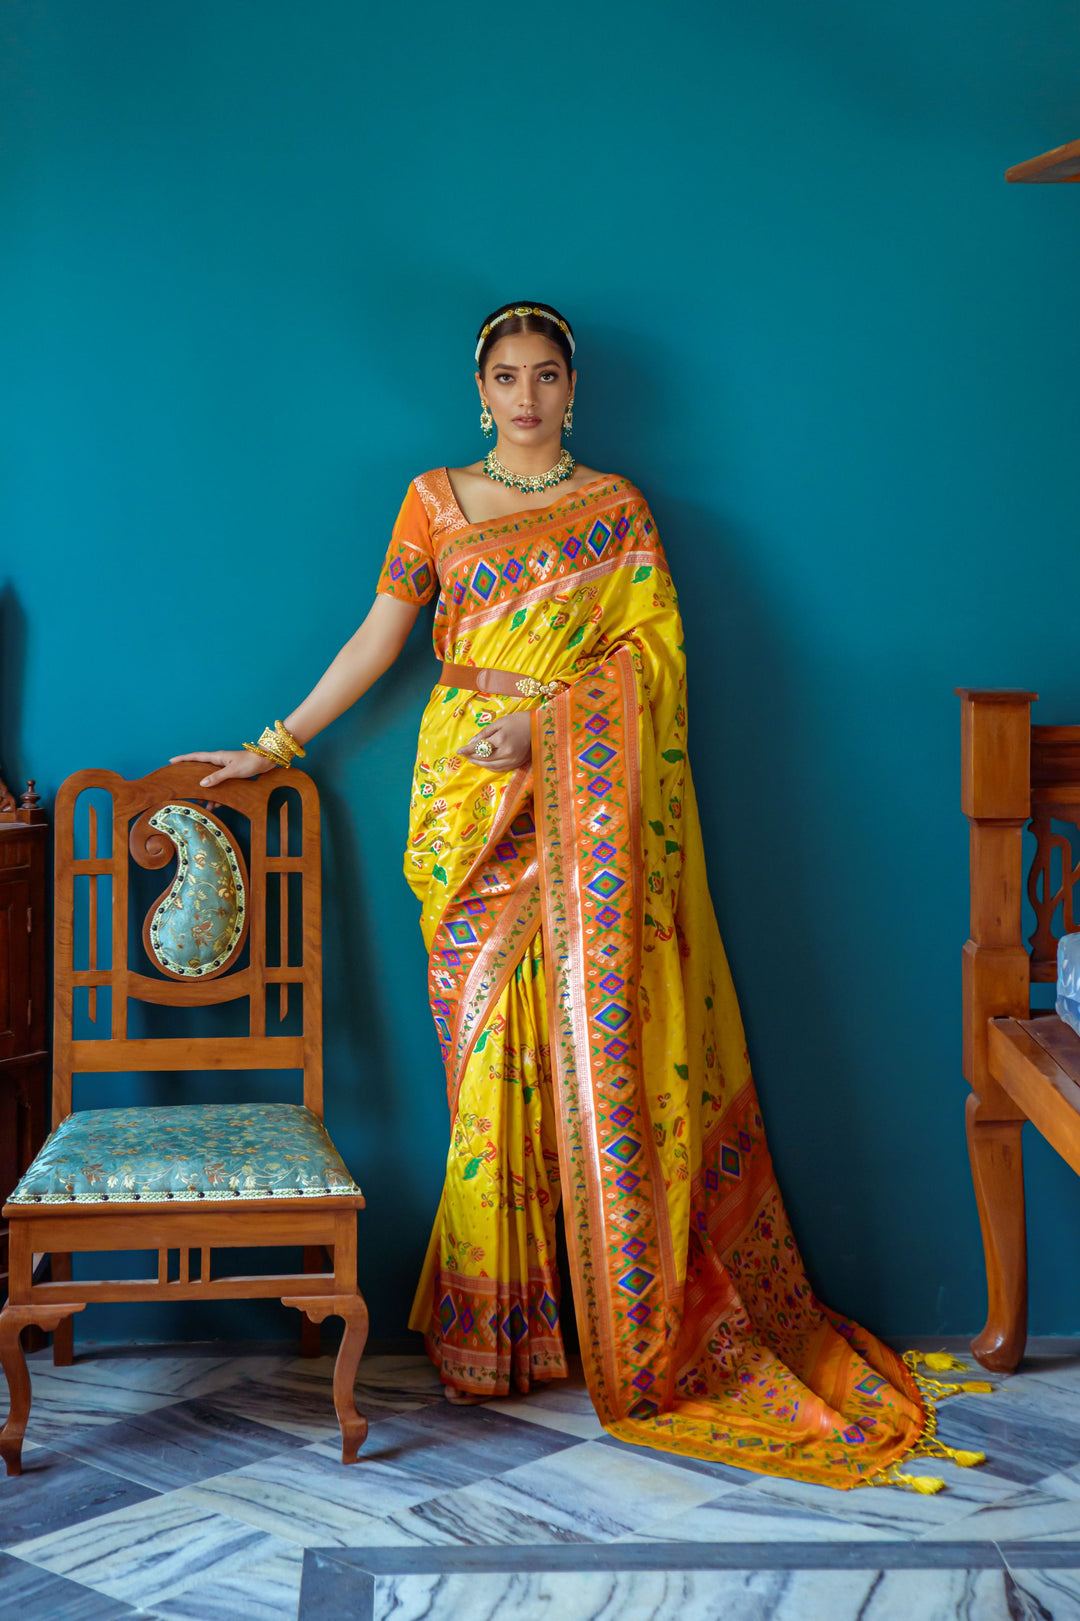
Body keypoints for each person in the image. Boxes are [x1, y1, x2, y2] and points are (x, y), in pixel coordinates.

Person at [173, 300, 984, 1491]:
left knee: (590, 1058)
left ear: (573, 389)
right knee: (488, 1065)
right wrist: (275, 744)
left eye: (546, 375)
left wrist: (547, 728)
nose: (526, 395)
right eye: (506, 376)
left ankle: (608, 1317)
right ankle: (498, 1332)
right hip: (466, 808)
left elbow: (655, 662)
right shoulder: (434, 503)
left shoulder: (619, 511)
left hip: (579, 806)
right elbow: (380, 637)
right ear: (479, 388)